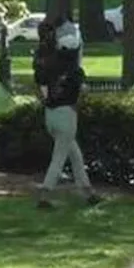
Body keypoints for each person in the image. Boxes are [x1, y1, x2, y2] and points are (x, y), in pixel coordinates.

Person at [33, 23, 101, 209]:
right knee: (59, 158)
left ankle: (88, 192)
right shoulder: (76, 72)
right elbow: (82, 93)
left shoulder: (50, 67)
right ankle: (45, 195)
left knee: (75, 155)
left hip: (50, 115)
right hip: (67, 116)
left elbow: (40, 85)